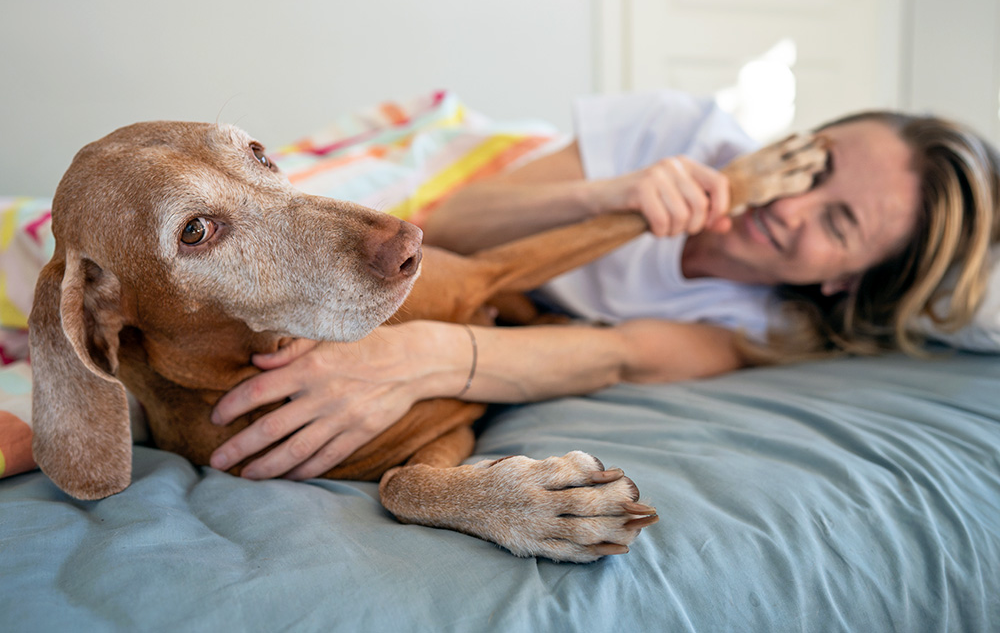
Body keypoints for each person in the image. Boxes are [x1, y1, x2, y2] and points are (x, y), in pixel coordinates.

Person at [207, 90, 1000, 481]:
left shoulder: (761, 329)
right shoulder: (682, 131)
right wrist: (612, 194)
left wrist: (415, 359)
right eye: (815, 163)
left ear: (845, 282)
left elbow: (613, 356)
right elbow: (450, 221)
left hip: (516, 299)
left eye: (838, 224)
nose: (790, 203)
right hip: (483, 198)